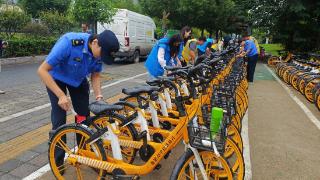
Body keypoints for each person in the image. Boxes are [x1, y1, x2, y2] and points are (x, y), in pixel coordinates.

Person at [37, 30, 119, 172]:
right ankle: (57, 162)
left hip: (78, 80)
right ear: (94, 43)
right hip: (56, 79)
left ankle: (84, 153)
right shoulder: (69, 42)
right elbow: (42, 70)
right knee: (59, 120)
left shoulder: (98, 50)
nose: (101, 57)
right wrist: (61, 95)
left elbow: (96, 75)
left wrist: (99, 96)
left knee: (83, 117)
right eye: (102, 54)